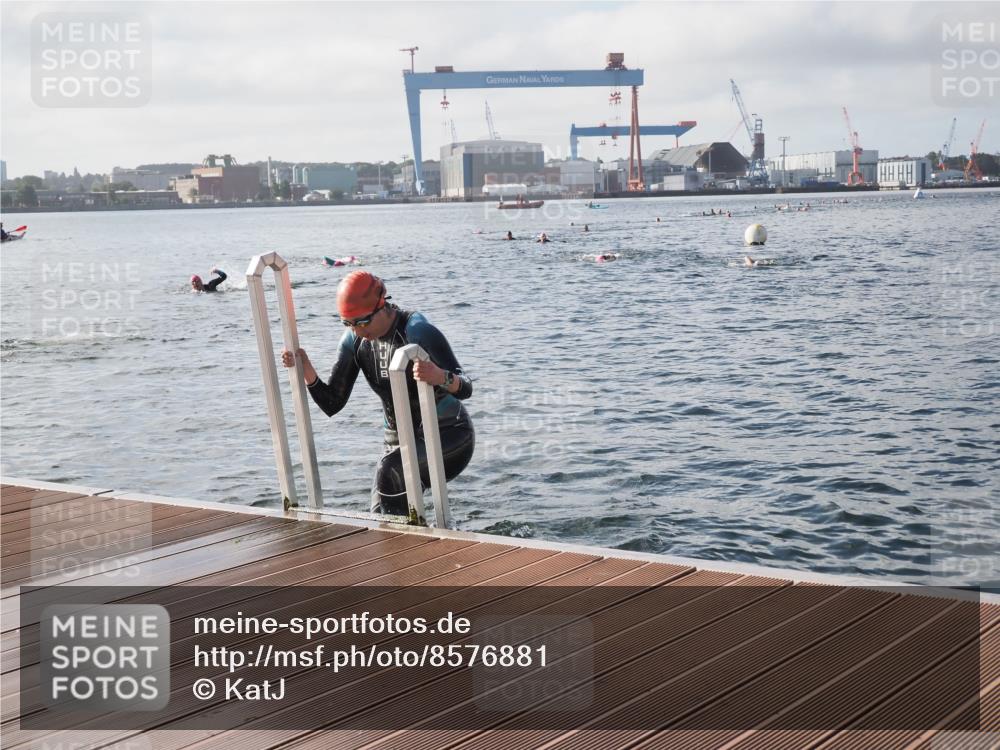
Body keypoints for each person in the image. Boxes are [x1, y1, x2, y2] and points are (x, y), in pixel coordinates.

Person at [281, 271, 475, 516]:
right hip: (397, 443)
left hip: (449, 435)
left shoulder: (417, 331)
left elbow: (466, 387)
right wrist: (305, 368)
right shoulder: (354, 341)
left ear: (381, 306)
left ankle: (408, 548)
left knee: (391, 472)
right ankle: (418, 547)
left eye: (362, 322)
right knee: (378, 516)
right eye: (347, 323)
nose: (357, 331)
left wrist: (440, 376)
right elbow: (332, 403)